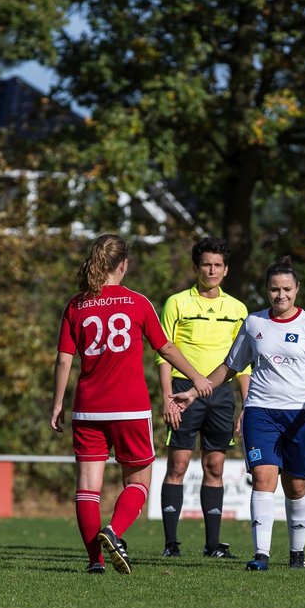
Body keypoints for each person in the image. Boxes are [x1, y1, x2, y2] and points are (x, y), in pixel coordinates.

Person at [50, 234, 212, 575]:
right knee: (138, 482)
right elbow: (165, 349)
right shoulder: (137, 302)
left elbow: (64, 360)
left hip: (88, 408)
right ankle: (114, 531)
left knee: (87, 487)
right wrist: (197, 378)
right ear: (124, 265)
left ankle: (95, 561)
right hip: (130, 409)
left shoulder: (76, 305)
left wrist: (57, 404)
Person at [174, 256, 305, 571]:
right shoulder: (253, 323)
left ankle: (297, 554)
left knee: (296, 486)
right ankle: (261, 554)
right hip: (260, 412)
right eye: (275, 289)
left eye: (287, 289)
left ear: (297, 289)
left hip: (301, 415)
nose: (281, 296)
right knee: (263, 478)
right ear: (266, 290)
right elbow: (229, 366)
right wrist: (194, 392)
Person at [156, 237, 250, 560]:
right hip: (184, 391)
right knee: (178, 465)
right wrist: (168, 398)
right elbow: (163, 354)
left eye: (218, 265)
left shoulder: (238, 309)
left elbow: (243, 363)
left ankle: (213, 545)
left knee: (215, 465)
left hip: (222, 396)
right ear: (196, 267)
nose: (212, 270)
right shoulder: (177, 303)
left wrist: (246, 406)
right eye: (206, 264)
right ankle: (171, 544)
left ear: (226, 270)